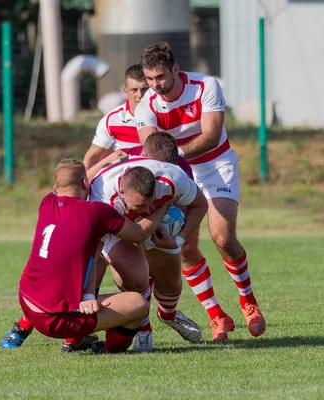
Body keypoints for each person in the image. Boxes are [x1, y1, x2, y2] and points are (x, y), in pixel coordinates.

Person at [135, 42, 266, 338]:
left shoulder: (205, 85)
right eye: (150, 79)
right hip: (178, 172)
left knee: (223, 239)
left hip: (215, 164)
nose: (155, 85)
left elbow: (212, 135)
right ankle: (217, 315)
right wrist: (173, 166)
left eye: (161, 77)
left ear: (175, 70)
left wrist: (175, 155)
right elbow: (151, 151)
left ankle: (248, 302)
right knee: (184, 247)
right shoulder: (147, 106)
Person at [11, 159, 175, 353]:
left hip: (26, 300)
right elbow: (139, 233)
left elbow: (73, 180)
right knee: (138, 304)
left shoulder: (47, 202)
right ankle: (109, 349)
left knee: (94, 263)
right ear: (84, 183)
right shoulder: (96, 212)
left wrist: (105, 161)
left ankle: (76, 341)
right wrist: (165, 205)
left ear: (55, 187)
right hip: (55, 320)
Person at [89, 155, 209, 351]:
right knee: (135, 275)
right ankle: (144, 330)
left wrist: (177, 240)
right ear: (121, 192)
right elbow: (136, 235)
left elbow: (201, 205)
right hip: (113, 228)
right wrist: (160, 209)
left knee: (171, 282)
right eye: (140, 206)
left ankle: (169, 314)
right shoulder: (101, 197)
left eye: (150, 203)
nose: (146, 209)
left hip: (152, 226)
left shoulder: (172, 179)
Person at [83, 64, 149, 169]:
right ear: (126, 91)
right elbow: (93, 157)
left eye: (144, 89)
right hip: (125, 178)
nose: (140, 95)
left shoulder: (164, 113)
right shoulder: (112, 120)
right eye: (134, 90)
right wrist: (82, 184)